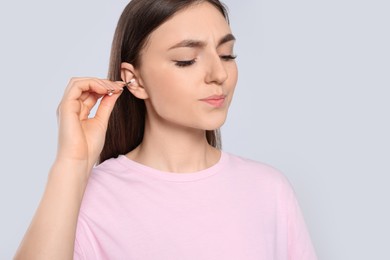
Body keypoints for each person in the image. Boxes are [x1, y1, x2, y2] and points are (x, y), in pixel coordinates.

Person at [14, 0, 317, 259]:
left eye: (226, 54)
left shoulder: (269, 190)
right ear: (135, 80)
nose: (219, 73)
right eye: (186, 60)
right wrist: (72, 164)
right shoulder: (90, 198)